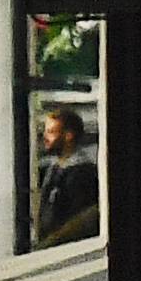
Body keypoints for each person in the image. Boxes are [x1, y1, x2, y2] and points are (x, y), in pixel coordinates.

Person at [36, 105, 100, 246]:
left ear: (68, 135)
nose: (45, 137)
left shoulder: (83, 173)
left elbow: (80, 220)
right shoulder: (53, 168)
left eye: (51, 132)